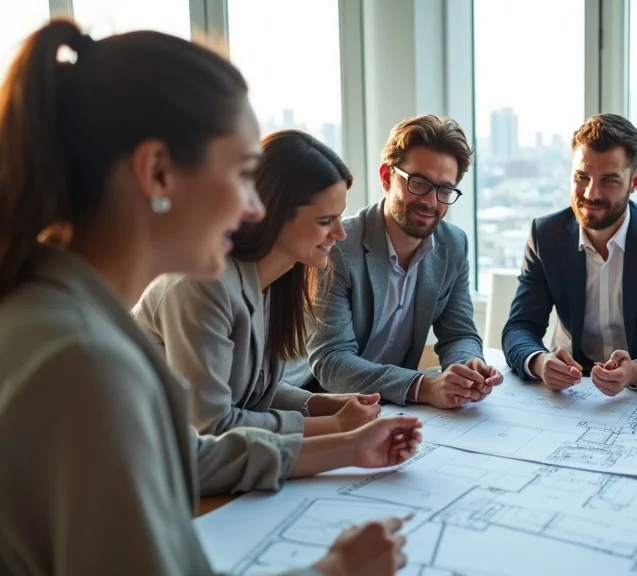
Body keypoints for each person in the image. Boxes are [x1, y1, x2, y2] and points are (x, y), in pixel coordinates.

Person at [0, 20, 419, 575]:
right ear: (158, 172)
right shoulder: (85, 361)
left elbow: (187, 457)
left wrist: (346, 445)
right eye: (245, 175)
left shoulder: (60, 318)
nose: (254, 209)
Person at [134, 130, 381, 436]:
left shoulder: (277, 281)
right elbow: (212, 425)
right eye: (324, 221)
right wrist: (332, 426)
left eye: (339, 217)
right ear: (273, 214)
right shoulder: (201, 285)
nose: (340, 234)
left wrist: (322, 405)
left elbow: (249, 391)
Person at [502, 113, 637, 395]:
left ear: (634, 182)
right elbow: (520, 326)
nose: (591, 193)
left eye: (609, 180)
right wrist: (540, 362)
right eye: (582, 177)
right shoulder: (545, 236)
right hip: (574, 390)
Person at [308, 114, 502, 409]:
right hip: (326, 406)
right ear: (387, 176)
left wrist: (469, 366)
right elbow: (331, 362)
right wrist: (423, 386)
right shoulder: (338, 247)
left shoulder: (454, 245)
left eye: (444, 190)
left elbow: (459, 332)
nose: (431, 202)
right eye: (419, 183)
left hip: (397, 406)